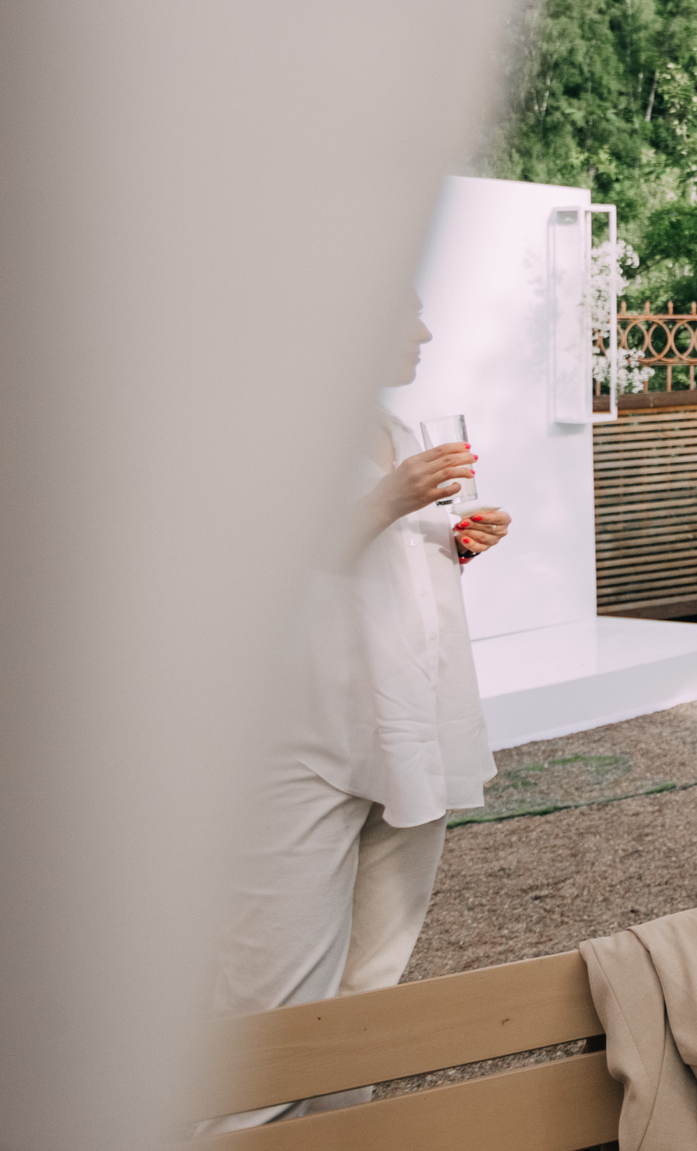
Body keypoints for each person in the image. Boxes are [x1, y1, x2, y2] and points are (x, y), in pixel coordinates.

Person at [206, 308, 512, 1125]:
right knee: (269, 1006)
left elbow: (374, 578)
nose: (424, 331)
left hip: (407, 729)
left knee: (363, 998)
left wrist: (454, 543)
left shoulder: (389, 423)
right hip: (303, 739)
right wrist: (388, 499)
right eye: (404, 311)